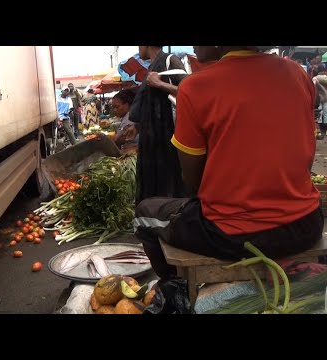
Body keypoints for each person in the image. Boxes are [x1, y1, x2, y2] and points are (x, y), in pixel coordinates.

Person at [134, 46, 324, 280]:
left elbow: (193, 182)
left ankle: (176, 288)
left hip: (234, 234)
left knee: (144, 214)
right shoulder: (297, 73)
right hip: (306, 224)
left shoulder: (196, 87)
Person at [128, 46, 189, 205]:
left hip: (168, 144)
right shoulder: (151, 67)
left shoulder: (170, 61)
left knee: (170, 189)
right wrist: (137, 126)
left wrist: (159, 84)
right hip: (152, 146)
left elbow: (190, 95)